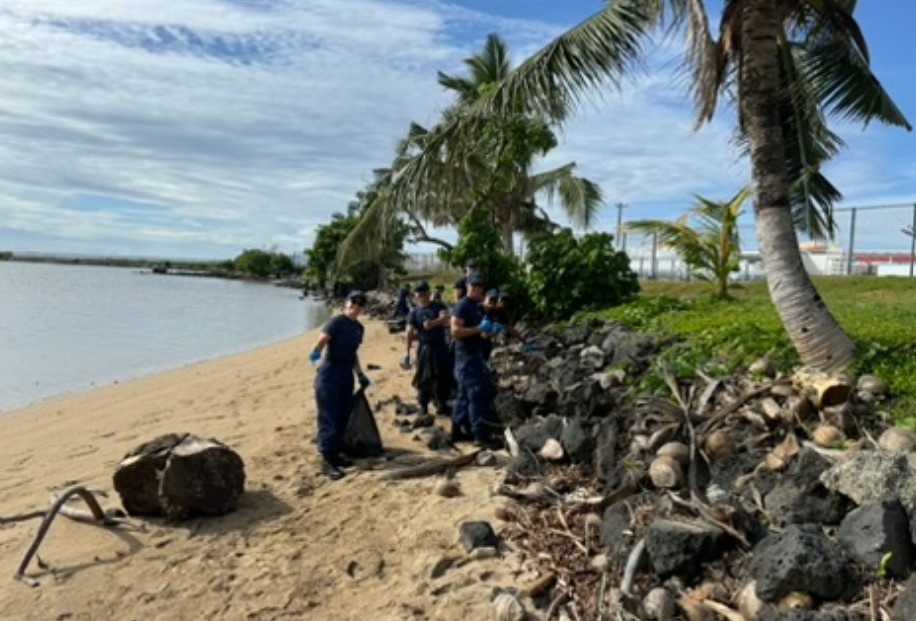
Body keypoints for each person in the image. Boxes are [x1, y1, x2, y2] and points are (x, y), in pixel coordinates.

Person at [309, 290, 372, 480]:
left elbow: (353, 353)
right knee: (328, 414)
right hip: (330, 370)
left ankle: (336, 452)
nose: (356, 306)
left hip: (346, 373)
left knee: (343, 413)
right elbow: (320, 342)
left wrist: (360, 374)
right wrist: (315, 360)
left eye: (360, 304)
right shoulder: (335, 322)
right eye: (353, 302)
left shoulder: (359, 328)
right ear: (346, 303)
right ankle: (327, 459)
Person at [450, 273, 501, 449]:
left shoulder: (477, 306)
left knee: (464, 395)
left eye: (479, 286)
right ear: (467, 286)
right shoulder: (463, 306)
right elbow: (455, 331)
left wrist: (489, 331)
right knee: (476, 393)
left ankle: (456, 430)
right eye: (473, 285)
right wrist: (478, 328)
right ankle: (481, 435)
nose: (476, 289)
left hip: (474, 353)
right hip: (466, 356)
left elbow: (481, 332)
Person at [404, 281, 452, 416]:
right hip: (425, 349)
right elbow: (409, 332)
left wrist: (433, 323)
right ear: (415, 296)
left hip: (441, 347)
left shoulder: (438, 306)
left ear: (429, 294)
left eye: (425, 294)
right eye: (420, 295)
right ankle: (423, 406)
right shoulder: (414, 313)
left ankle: (441, 403)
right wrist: (407, 352)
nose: (423, 297)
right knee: (424, 378)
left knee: (443, 376)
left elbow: (445, 317)